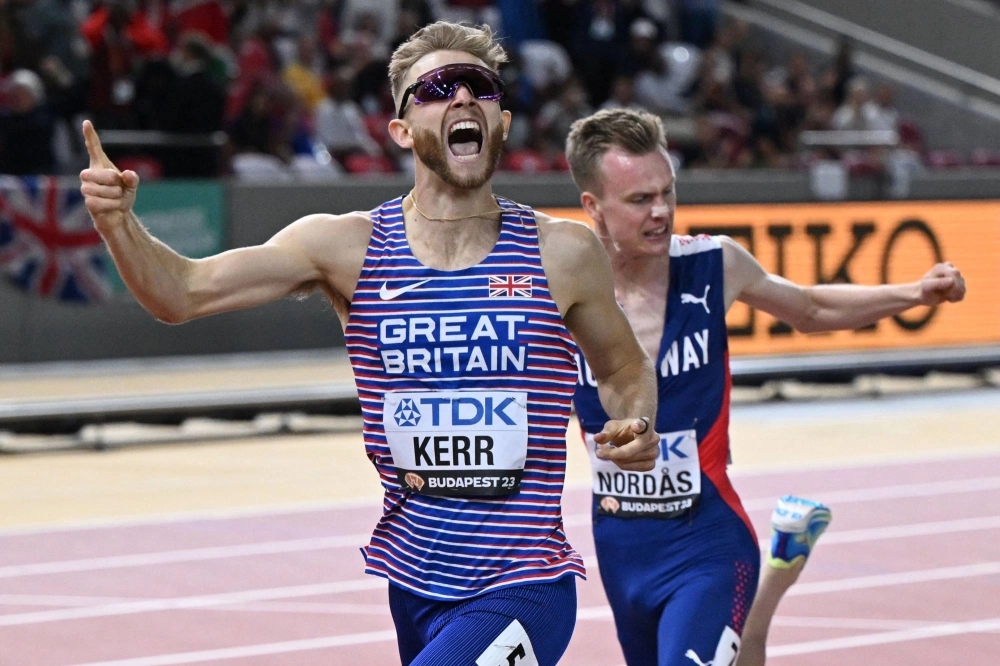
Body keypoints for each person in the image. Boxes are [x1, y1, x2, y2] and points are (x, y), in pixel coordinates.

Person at [79, 21, 661, 666]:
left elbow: (623, 367)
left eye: (481, 87)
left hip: (523, 581)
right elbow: (182, 293)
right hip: (411, 580)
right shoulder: (344, 246)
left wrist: (634, 416)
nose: (464, 99)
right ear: (403, 129)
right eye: (440, 87)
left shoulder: (563, 252)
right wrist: (118, 225)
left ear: (502, 121)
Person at [564, 107, 967, 666]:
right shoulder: (563, 295)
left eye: (666, 193)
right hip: (619, 547)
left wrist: (914, 294)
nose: (661, 212)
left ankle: (765, 573)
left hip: (708, 539)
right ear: (594, 207)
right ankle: (781, 569)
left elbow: (811, 307)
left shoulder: (713, 263)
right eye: (639, 201)